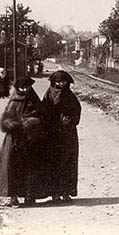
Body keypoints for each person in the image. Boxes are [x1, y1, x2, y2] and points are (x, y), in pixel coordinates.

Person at [0, 76, 48, 206]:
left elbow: (43, 116)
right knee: (13, 168)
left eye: (27, 87)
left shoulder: (34, 100)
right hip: (15, 140)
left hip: (31, 139)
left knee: (31, 167)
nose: (24, 90)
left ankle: (30, 196)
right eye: (21, 87)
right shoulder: (13, 102)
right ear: (17, 88)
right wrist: (13, 124)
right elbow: (5, 120)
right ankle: (13, 197)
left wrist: (33, 121)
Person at [42, 70, 81, 203]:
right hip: (53, 134)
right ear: (53, 82)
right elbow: (43, 112)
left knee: (68, 163)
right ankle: (54, 193)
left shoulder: (70, 96)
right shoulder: (49, 94)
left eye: (63, 81)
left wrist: (70, 120)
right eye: (58, 81)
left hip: (68, 134)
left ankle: (66, 192)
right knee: (53, 163)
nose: (61, 84)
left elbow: (76, 110)